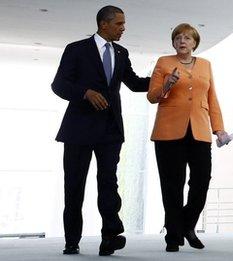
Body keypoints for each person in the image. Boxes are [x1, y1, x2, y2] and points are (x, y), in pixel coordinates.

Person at [51, 5, 150, 256]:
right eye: (119, 24)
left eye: (123, 24)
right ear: (103, 24)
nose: (123, 28)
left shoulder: (121, 52)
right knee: (74, 186)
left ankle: (110, 236)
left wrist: (163, 82)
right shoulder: (76, 50)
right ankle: (71, 240)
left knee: (108, 182)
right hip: (78, 129)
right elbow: (59, 84)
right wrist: (85, 93)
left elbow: (135, 83)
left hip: (110, 129)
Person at [147, 23, 230, 252]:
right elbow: (152, 96)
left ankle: (186, 224)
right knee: (172, 185)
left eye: (187, 38)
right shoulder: (164, 63)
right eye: (177, 38)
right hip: (168, 132)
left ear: (195, 43)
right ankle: (173, 236)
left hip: (200, 131)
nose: (182, 41)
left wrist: (219, 129)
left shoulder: (205, 65)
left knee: (201, 181)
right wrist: (167, 84)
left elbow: (212, 98)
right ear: (173, 42)